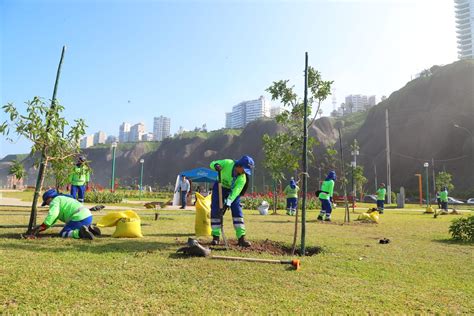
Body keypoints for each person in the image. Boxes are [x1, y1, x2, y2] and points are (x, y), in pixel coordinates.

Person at [209, 155, 254, 247]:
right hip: (219, 187)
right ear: (239, 166)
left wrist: (227, 203)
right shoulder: (227, 162)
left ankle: (241, 238)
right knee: (215, 210)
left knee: (237, 210)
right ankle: (216, 237)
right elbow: (211, 163)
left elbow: (235, 192)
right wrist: (216, 166)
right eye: (244, 169)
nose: (245, 172)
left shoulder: (242, 179)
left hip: (232, 192)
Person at [31, 189, 101, 239]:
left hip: (79, 218)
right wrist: (43, 227)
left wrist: (43, 226)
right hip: (88, 216)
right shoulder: (63, 198)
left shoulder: (55, 201)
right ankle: (89, 229)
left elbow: (53, 215)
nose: (48, 205)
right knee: (72, 228)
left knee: (63, 233)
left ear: (49, 198)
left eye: (46, 203)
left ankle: (80, 233)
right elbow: (54, 219)